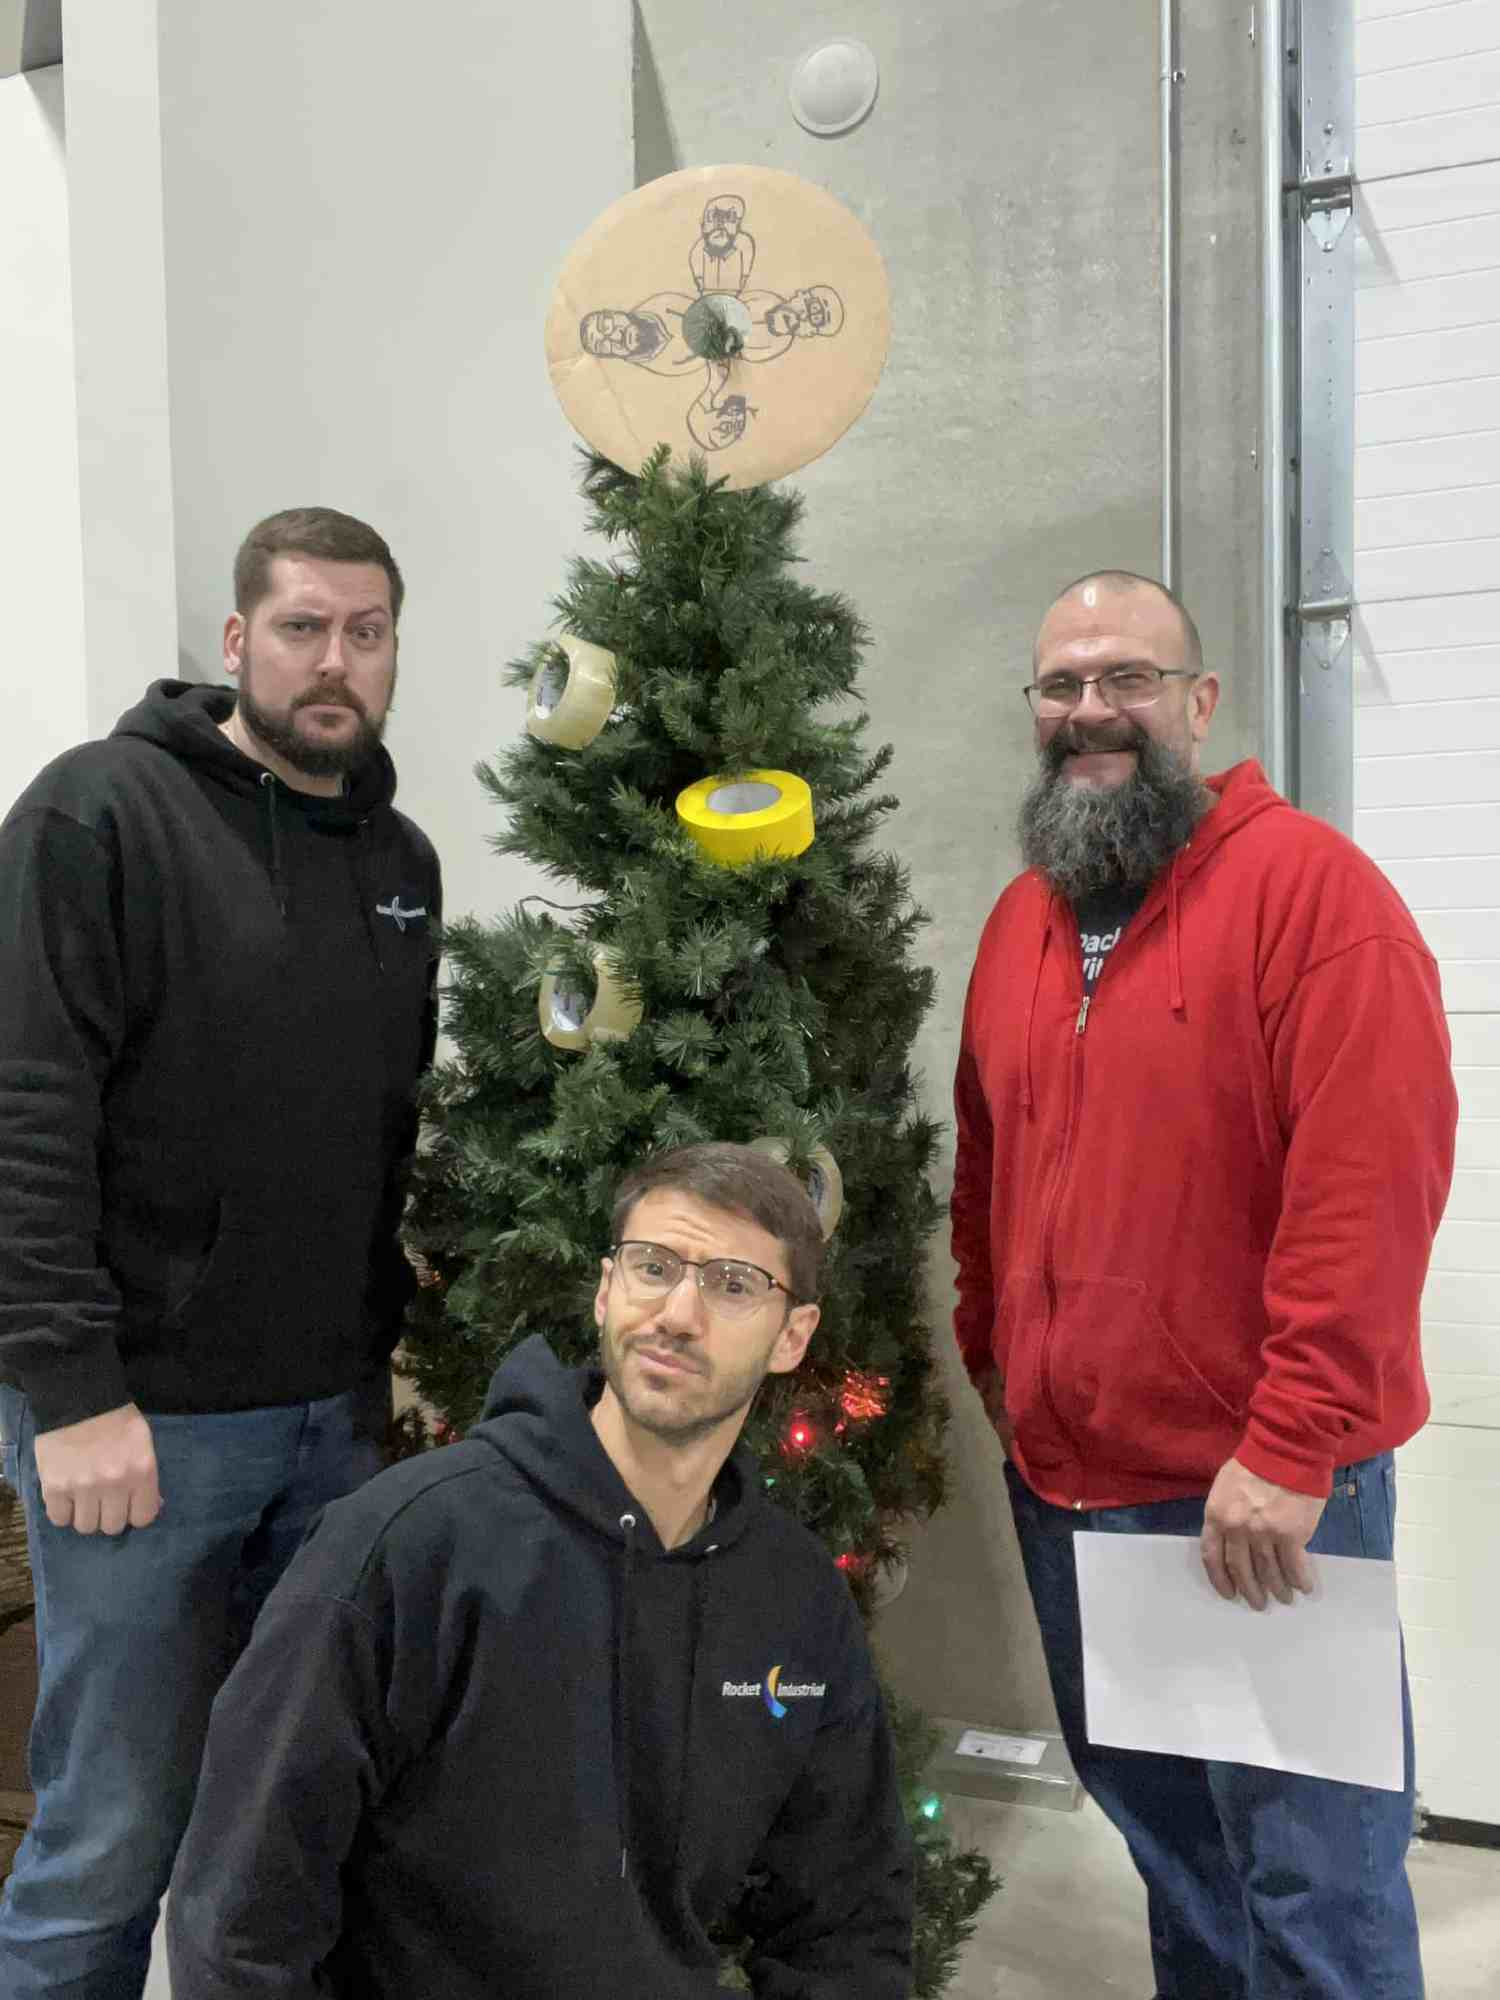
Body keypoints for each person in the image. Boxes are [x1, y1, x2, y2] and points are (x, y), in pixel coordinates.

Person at [951, 570, 1456, 2000]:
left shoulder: (1313, 899)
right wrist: (991, 1351)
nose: (1090, 711)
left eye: (1127, 679)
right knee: (1174, 1855)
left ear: (1200, 704)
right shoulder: (1021, 923)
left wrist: (1294, 1447)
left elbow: (1370, 1194)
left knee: (1312, 1882)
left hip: (1254, 1497)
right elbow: (984, 1164)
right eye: (1061, 685)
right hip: (1073, 1486)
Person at [0, 507, 442, 1999]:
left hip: (333, 1430)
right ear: (239, 642)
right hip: (142, 1432)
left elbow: (381, 1132)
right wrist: (68, 1391)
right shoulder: (99, 814)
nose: (336, 662)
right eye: (304, 628)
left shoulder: (400, 858)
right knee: (111, 1836)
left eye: (365, 633)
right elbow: (23, 1109)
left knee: (275, 1827)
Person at [166, 1142, 913, 1999]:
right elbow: (238, 1917)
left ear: (792, 1336)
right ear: (605, 1290)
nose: (677, 1312)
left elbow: (849, 1918)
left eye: (732, 1284)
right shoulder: (407, 1545)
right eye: (653, 1266)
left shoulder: (795, 1597)